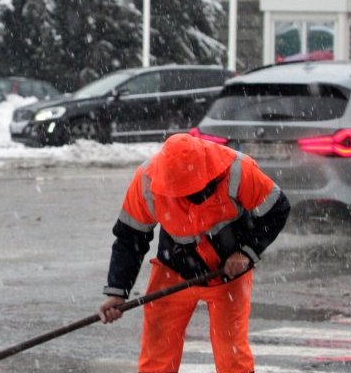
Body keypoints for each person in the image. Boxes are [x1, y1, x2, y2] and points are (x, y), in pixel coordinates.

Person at [98, 133, 290, 373]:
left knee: (232, 357)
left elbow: (277, 209)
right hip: (173, 270)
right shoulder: (147, 180)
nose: (186, 199)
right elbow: (130, 236)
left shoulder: (237, 169)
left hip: (227, 273)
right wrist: (118, 290)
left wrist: (246, 253)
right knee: (157, 354)